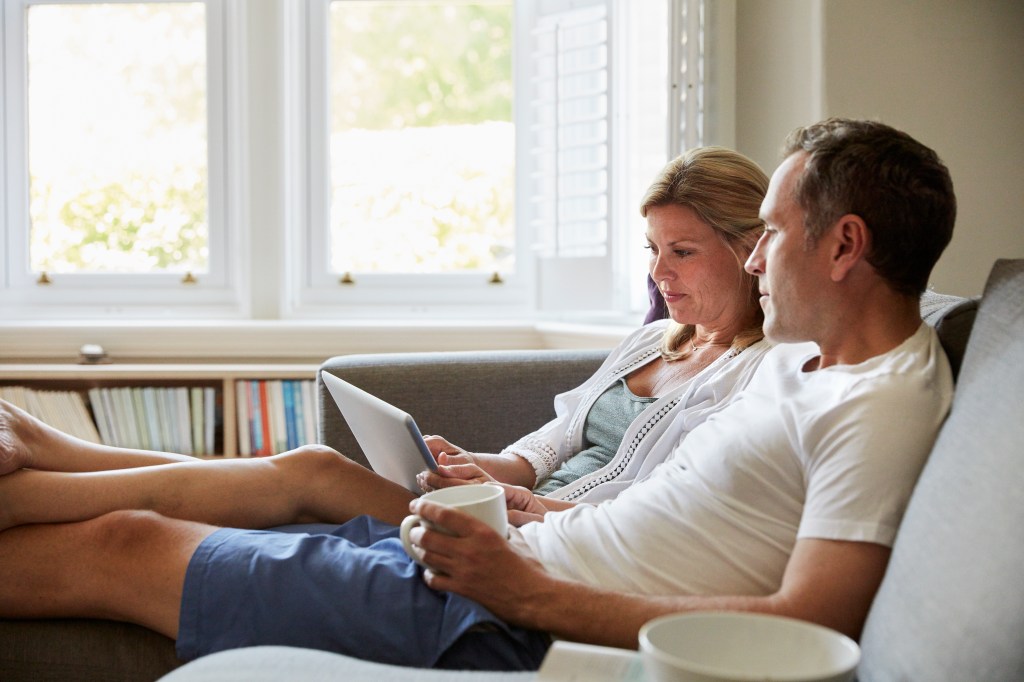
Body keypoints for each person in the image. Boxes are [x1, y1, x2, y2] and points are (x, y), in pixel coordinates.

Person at [0, 118, 957, 672]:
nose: (753, 257)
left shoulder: (877, 404)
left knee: (127, 545)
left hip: (513, 616)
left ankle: (27, 464)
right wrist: (509, 517)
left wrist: (527, 586)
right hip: (504, 564)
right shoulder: (807, 362)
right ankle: (31, 465)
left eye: (771, 236)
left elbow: (817, 628)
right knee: (207, 514)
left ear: (844, 248)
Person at [0, 146, 772, 534]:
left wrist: (527, 505)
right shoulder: (654, 344)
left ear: (747, 249)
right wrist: (483, 467)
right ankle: (39, 443)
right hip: (505, 504)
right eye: (651, 251)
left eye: (682, 252)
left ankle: (34, 478)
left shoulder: (757, 377)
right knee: (305, 468)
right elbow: (555, 439)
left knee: (307, 469)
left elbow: (657, 515)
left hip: (536, 535)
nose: (660, 274)